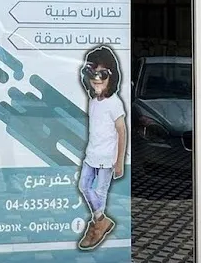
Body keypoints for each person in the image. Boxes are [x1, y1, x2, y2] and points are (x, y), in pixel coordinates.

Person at [78, 45, 126, 251]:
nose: (97, 79)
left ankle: (98, 226)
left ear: (111, 76)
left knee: (100, 191)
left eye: (102, 74)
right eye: (92, 73)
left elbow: (122, 132)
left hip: (107, 158)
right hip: (91, 154)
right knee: (84, 186)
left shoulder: (114, 103)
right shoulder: (93, 101)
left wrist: (119, 161)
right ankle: (101, 220)